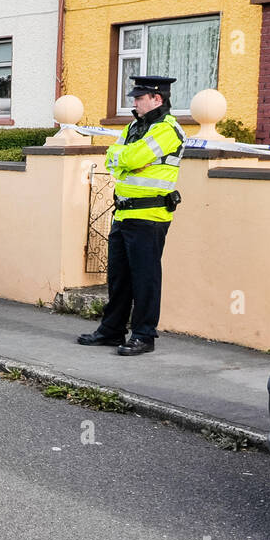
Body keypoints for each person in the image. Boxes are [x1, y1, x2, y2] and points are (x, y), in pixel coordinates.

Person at [78, 74, 185, 356]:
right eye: (135, 98)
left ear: (157, 99)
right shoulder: (134, 127)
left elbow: (130, 158)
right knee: (118, 277)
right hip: (123, 214)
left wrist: (127, 159)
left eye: (139, 98)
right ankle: (112, 331)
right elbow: (113, 158)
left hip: (150, 215)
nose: (134, 103)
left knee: (145, 278)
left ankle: (144, 335)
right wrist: (126, 158)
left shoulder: (167, 129)